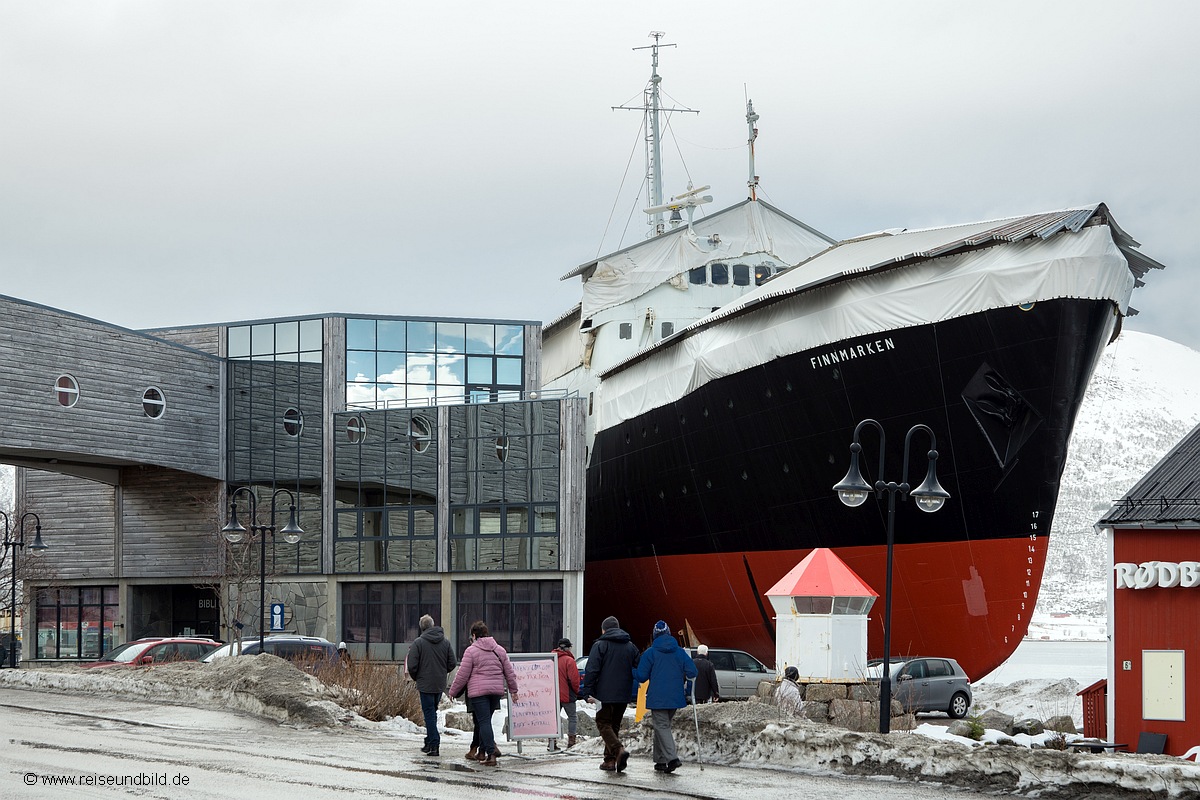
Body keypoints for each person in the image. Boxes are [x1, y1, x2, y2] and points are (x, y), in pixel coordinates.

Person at [447, 620, 519, 767]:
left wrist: (453, 691)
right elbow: (509, 673)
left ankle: (491, 754)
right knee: (484, 722)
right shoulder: (499, 650)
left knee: (483, 722)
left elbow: (462, 675)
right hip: (495, 692)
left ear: (474, 635)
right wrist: (514, 690)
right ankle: (481, 752)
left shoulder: (471, 651)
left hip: (479, 693)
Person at [634, 619, 697, 774]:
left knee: (661, 727)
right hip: (675, 698)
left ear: (655, 635)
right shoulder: (680, 652)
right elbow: (693, 672)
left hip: (658, 697)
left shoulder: (650, 653)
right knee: (662, 727)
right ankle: (660, 761)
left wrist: (632, 671)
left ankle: (672, 758)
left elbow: (642, 676)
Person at [579, 615, 640, 772]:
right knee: (614, 726)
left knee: (603, 723)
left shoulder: (600, 645)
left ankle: (618, 750)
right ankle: (610, 761)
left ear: (604, 629)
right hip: (624, 693)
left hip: (604, 694)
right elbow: (638, 666)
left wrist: (587, 691)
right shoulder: (631, 646)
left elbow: (592, 669)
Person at [406, 614, 458, 757]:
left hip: (425, 684)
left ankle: (434, 743)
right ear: (433, 625)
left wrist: (418, 677)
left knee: (429, 714)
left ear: (421, 628)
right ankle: (429, 741)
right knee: (432, 713)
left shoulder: (418, 643)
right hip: (439, 684)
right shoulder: (445, 642)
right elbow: (452, 663)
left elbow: (412, 665)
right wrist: (442, 672)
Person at [552, 637, 580, 749]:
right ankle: (571, 742)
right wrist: (576, 691)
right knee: (572, 717)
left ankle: (552, 742)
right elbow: (574, 680)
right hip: (568, 695)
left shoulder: (551, 659)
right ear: (569, 648)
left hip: (552, 695)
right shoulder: (569, 661)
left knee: (553, 718)